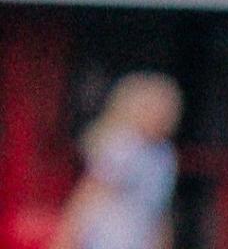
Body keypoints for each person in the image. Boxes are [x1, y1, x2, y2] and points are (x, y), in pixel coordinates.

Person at [50, 74, 181, 249]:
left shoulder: (164, 155)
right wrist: (65, 241)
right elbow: (88, 197)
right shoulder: (123, 147)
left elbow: (160, 211)